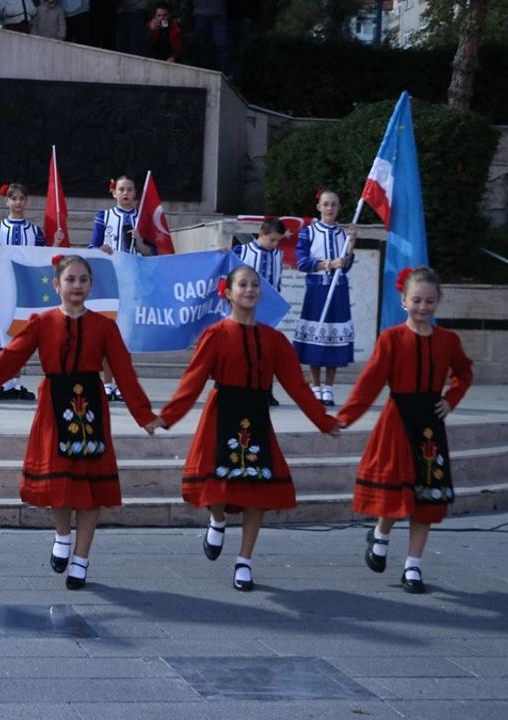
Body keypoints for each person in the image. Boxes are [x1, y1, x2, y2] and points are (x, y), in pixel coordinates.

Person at [0, 254, 157, 590]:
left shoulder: (105, 326)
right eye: (70, 280)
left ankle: (81, 559)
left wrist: (144, 415)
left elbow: (123, 371)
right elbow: (9, 360)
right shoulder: (41, 322)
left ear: (91, 285)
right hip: (54, 405)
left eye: (83, 280)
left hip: (90, 406)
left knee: (90, 490)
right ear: (56, 285)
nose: (77, 286)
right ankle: (62, 537)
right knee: (61, 486)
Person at [147, 265, 340, 592]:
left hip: (256, 414)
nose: (249, 290)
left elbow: (296, 384)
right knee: (218, 481)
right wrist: (167, 416)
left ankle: (244, 561)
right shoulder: (216, 334)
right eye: (242, 285)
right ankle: (217, 519)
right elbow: (192, 380)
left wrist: (324, 421)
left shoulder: (275, 340)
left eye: (254, 285)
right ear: (228, 292)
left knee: (258, 491)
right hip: (223, 412)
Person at [337, 267, 473, 595]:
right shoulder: (392, 339)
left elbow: (464, 373)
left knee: (426, 496)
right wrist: (343, 418)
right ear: (403, 301)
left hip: (430, 424)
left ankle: (413, 566)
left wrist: (451, 400)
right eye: (416, 300)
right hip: (398, 421)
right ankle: (381, 537)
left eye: (429, 300)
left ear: (438, 302)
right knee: (397, 491)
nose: (422, 306)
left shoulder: (448, 341)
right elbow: (370, 381)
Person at [0, 183, 47, 401]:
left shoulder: (35, 232)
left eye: (21, 198)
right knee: (2, 335)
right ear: (6, 201)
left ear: (27, 201)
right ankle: (4, 382)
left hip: (23, 291)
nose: (17, 202)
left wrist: (53, 244)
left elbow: (41, 259)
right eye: (13, 198)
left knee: (18, 336)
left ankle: (15, 383)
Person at [89, 175, 153, 402]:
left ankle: (123, 383)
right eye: (121, 189)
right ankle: (107, 383)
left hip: (133, 281)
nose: (125, 193)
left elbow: (152, 253)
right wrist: (101, 249)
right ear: (114, 192)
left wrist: (141, 242)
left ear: (135, 194)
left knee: (126, 336)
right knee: (107, 332)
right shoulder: (104, 216)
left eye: (129, 189)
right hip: (108, 280)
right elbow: (92, 246)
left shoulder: (142, 219)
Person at [293, 189, 357, 407]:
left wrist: (351, 245)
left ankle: (329, 386)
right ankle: (316, 384)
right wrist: (328, 264)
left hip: (338, 290)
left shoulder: (343, 234)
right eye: (326, 204)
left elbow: (346, 267)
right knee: (316, 334)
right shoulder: (308, 233)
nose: (330, 208)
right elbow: (301, 263)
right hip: (317, 290)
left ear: (338, 208)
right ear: (319, 207)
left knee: (333, 335)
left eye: (334, 204)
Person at [233, 217, 286, 405]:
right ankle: (239, 388)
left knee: (266, 351)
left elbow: (278, 280)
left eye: (278, 240)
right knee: (243, 349)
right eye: (272, 239)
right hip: (246, 308)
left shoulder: (278, 255)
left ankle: (266, 391)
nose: (275, 244)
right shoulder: (243, 251)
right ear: (261, 234)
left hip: (269, 310)